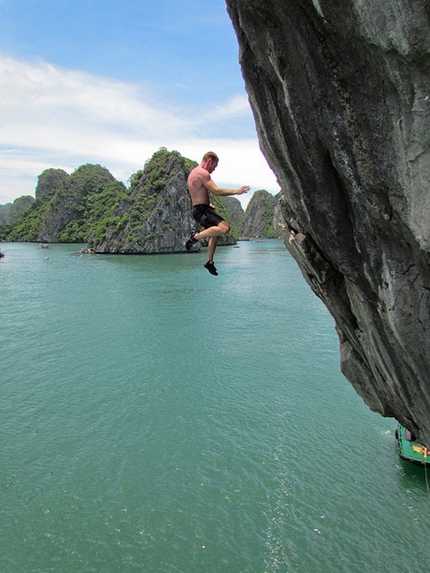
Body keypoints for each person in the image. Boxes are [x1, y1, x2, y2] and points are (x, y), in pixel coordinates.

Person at [186, 151, 250, 275]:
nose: (213, 170)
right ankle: (195, 237)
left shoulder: (193, 173)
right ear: (209, 160)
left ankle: (209, 262)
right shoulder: (202, 173)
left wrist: (207, 203)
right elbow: (215, 191)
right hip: (201, 210)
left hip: (201, 209)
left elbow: (196, 192)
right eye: (214, 166)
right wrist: (236, 191)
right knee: (225, 228)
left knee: (217, 232)